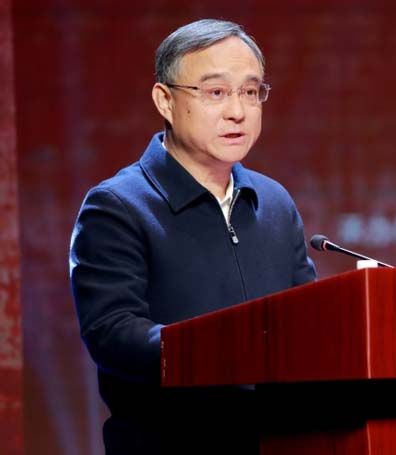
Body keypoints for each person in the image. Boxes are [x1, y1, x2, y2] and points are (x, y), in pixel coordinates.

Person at [69, 19, 316, 454]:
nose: (237, 111)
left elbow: (310, 320)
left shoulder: (274, 201)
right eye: (216, 93)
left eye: (250, 92)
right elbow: (113, 334)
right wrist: (228, 348)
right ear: (165, 100)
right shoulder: (117, 206)